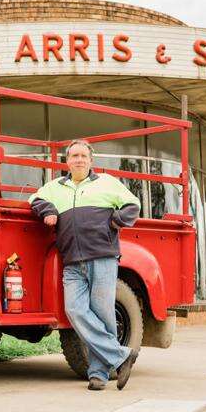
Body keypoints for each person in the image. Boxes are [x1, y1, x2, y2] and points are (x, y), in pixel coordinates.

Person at [28, 139, 140, 391]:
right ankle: (121, 356)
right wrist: (48, 210)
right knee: (75, 310)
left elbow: (133, 205)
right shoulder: (56, 186)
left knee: (103, 314)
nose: (78, 160)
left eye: (83, 156)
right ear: (67, 161)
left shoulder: (106, 182)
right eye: (74, 156)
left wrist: (115, 222)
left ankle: (98, 375)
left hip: (102, 257)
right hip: (71, 261)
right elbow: (34, 199)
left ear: (91, 160)